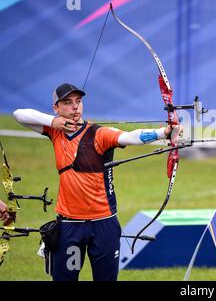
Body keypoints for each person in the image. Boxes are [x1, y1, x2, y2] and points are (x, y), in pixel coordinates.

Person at [13, 83, 182, 281]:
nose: (75, 107)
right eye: (67, 103)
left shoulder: (99, 134)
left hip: (103, 225)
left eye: (78, 101)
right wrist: (53, 122)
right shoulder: (55, 131)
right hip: (70, 226)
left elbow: (130, 136)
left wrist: (164, 132)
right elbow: (19, 114)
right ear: (56, 108)